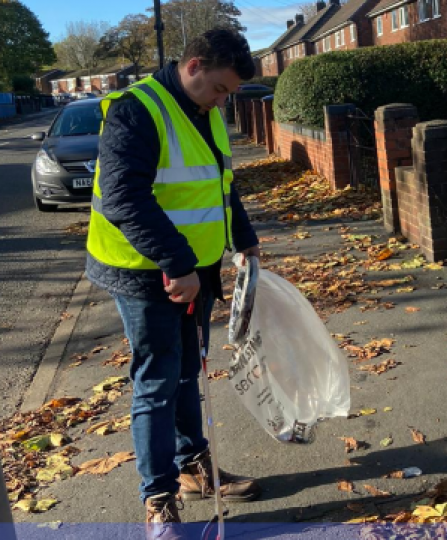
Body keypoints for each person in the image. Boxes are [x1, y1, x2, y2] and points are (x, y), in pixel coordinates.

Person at [86, 29, 263, 540]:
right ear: (193, 66)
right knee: (158, 383)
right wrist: (178, 262)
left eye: (229, 93)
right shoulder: (136, 110)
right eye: (220, 89)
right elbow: (123, 198)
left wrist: (243, 238)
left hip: (195, 271)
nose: (224, 100)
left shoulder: (206, 110)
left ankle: (192, 468)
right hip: (145, 274)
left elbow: (222, 183)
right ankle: (158, 502)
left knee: (190, 373)